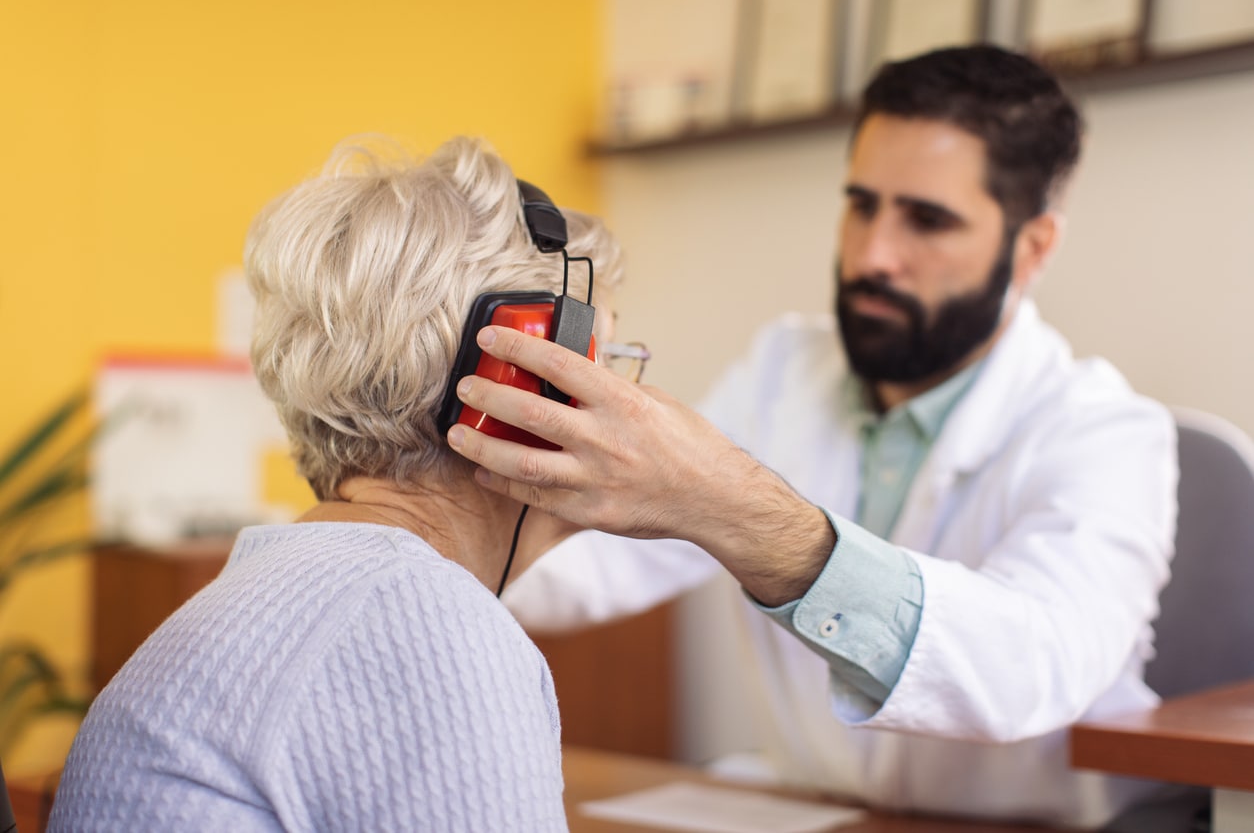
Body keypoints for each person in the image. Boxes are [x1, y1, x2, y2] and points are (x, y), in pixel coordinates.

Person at [445, 46, 1179, 829]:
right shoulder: (785, 369)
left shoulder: (1107, 432)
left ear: (1032, 248)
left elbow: (1032, 668)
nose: (872, 255)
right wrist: (389, 527)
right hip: (824, 814)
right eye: (862, 205)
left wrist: (744, 515)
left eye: (926, 220)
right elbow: (604, 563)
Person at [50, 136, 626, 831]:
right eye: (611, 362)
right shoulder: (423, 621)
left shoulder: (299, 584)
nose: (630, 404)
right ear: (519, 386)